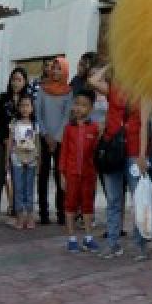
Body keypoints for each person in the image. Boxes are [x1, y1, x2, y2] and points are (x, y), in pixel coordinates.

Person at [89, 64, 152, 260]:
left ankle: (139, 245)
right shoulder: (114, 87)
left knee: (138, 199)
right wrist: (109, 65)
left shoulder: (144, 91)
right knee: (114, 200)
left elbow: (144, 126)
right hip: (112, 149)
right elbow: (92, 81)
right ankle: (113, 243)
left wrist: (142, 155)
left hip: (134, 151)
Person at [59, 89, 102, 253]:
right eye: (76, 104)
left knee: (87, 205)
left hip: (88, 175)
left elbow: (97, 153)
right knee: (70, 205)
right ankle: (71, 238)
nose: (79, 108)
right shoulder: (68, 129)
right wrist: (62, 174)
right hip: (71, 174)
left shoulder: (95, 128)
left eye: (83, 105)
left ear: (90, 109)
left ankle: (88, 237)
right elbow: (63, 153)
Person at [0, 67, 28, 225]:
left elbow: (30, 122)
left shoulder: (28, 99)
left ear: (24, 82)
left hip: (22, 146)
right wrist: (5, 138)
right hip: (5, 143)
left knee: (18, 179)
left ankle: (16, 212)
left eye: (19, 79)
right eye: (14, 79)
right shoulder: (3, 98)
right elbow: (0, 121)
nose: (16, 82)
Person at [36, 56, 72, 226]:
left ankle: (61, 213)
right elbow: (38, 114)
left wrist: (56, 138)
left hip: (61, 140)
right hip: (44, 139)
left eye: (59, 68)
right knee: (42, 176)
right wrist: (46, 135)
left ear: (65, 71)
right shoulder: (42, 90)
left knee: (60, 176)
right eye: (54, 68)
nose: (56, 72)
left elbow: (66, 117)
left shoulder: (69, 91)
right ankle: (43, 213)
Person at [7, 93, 40, 229]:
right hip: (17, 158)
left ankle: (30, 216)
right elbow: (10, 143)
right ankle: (20, 217)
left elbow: (37, 144)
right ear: (18, 108)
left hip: (31, 158)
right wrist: (7, 161)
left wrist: (39, 160)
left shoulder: (35, 125)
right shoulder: (14, 124)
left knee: (29, 188)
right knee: (18, 188)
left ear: (32, 108)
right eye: (22, 105)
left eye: (28, 105)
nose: (25, 108)